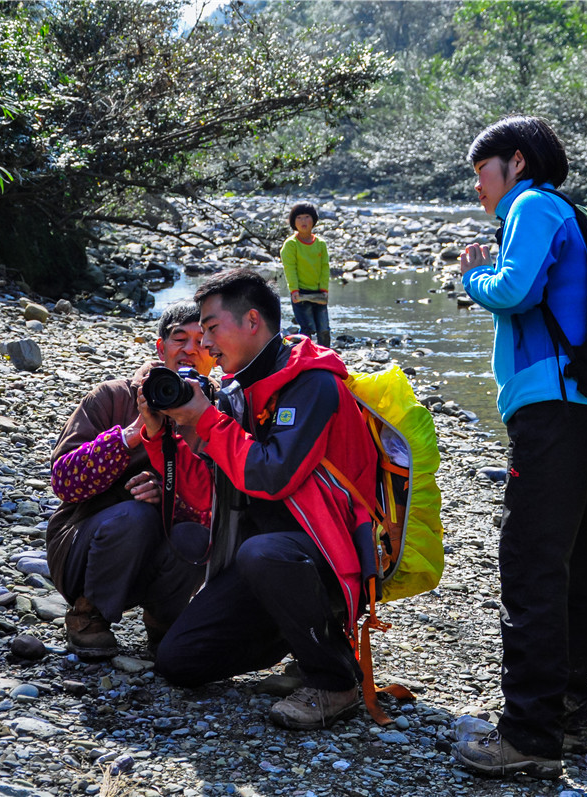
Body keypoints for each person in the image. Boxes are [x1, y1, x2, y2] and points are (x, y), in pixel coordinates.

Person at [450, 116, 587, 779]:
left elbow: (516, 289)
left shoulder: (533, 205)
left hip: (553, 407)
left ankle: (528, 736)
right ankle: (567, 721)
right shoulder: (561, 211)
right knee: (567, 566)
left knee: (531, 564)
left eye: (481, 172)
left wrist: (473, 278)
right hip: (576, 407)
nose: (478, 187)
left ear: (515, 162)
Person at [152, 268, 378, 731]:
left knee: (264, 552)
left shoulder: (312, 383)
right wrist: (165, 432)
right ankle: (300, 636)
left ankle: (335, 681)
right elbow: (207, 488)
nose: (205, 344)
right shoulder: (240, 389)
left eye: (211, 328)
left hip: (330, 553)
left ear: (252, 321)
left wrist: (207, 420)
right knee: (178, 661)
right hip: (269, 559)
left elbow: (272, 476)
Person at [45, 300, 216, 660]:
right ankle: (88, 614)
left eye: (201, 341)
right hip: (83, 549)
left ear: (214, 353)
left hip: (161, 554)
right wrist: (131, 435)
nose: (190, 349)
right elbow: (63, 482)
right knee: (135, 515)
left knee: (198, 535)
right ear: (160, 348)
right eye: (179, 339)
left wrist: (169, 496)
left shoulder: (217, 413)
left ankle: (163, 618)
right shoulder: (112, 397)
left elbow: (222, 505)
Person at [280, 202, 332, 347]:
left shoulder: (320, 244)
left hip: (318, 292)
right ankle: (304, 355)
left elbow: (325, 267)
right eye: (299, 218)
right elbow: (290, 268)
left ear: (313, 220)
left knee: (324, 329)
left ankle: (325, 354)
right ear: (293, 222)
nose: (303, 221)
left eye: (307, 217)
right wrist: (294, 290)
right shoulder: (291, 244)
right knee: (307, 329)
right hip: (300, 293)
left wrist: (324, 289)